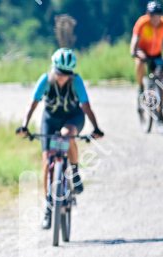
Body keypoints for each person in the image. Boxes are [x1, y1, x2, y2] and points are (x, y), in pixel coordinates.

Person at [16, 48, 104, 230]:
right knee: (46, 160)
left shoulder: (76, 81)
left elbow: (86, 106)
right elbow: (33, 103)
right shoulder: (45, 80)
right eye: (59, 73)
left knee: (66, 135)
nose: (63, 77)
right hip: (50, 119)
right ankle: (48, 208)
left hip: (73, 117)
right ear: (53, 69)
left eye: (66, 74)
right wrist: (24, 126)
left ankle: (74, 171)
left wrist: (96, 127)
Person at [131, 1, 163, 114]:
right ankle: (141, 86)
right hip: (142, 51)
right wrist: (133, 51)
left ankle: (159, 109)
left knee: (161, 78)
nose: (155, 19)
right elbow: (135, 39)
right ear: (148, 14)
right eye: (152, 15)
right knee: (139, 63)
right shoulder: (142, 22)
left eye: (157, 15)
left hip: (156, 53)